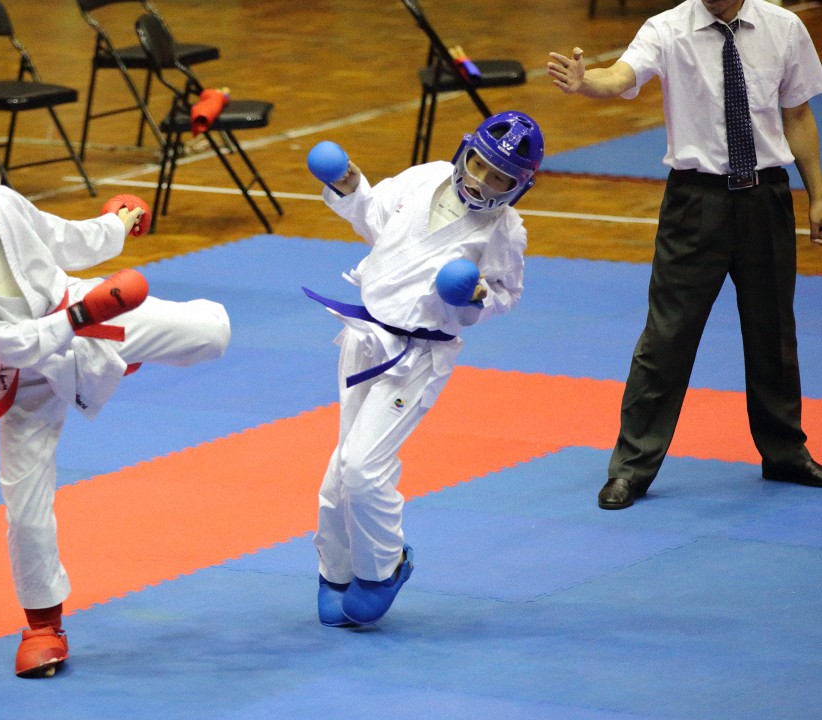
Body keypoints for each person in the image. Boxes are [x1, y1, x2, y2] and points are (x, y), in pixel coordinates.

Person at [0, 118, 231, 677]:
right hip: (27, 372)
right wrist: (83, 315)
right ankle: (43, 626)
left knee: (213, 333)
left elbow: (62, 238)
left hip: (83, 311)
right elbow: (10, 343)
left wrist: (116, 223)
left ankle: (108, 365)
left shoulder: (3, 203)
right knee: (24, 505)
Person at [547, 0, 822, 510]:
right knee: (666, 337)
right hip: (695, 202)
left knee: (774, 334)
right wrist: (587, 82)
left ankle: (785, 452)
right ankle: (631, 468)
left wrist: (819, 195)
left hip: (765, 197)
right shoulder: (668, 28)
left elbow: (799, 114)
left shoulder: (783, 28)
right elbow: (622, 75)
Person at [305, 111, 544, 626]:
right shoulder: (426, 177)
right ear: (464, 152)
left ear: (518, 187)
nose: (481, 181)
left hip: (418, 355)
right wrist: (349, 183)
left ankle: (383, 567)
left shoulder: (504, 230)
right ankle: (336, 571)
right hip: (365, 337)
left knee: (363, 466)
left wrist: (477, 296)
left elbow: (507, 293)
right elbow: (375, 218)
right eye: (478, 165)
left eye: (499, 178)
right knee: (343, 465)